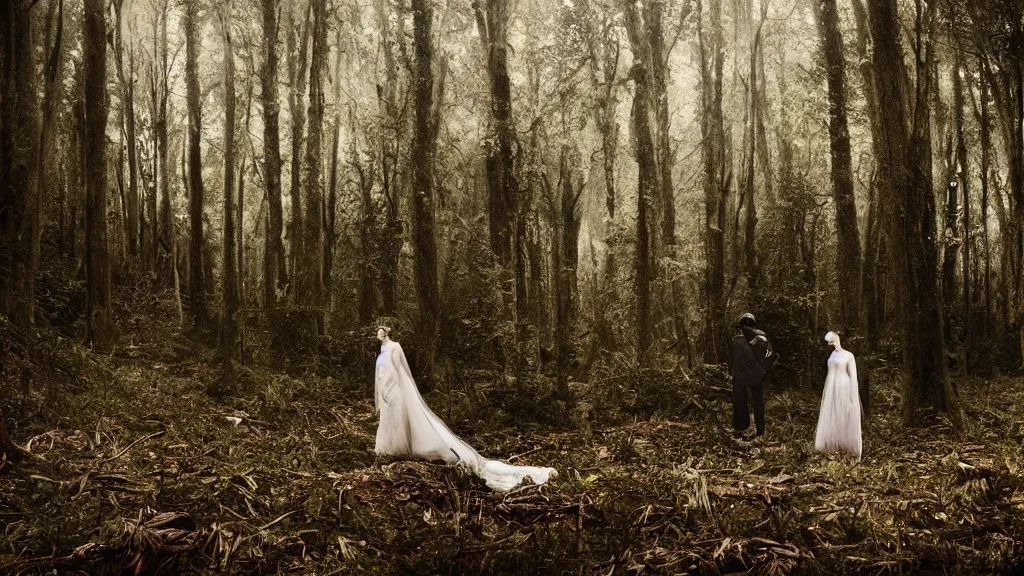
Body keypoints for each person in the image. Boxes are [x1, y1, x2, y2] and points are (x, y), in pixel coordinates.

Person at [373, 326, 557, 491]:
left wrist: (390, 388)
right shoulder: (381, 351)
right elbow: (382, 374)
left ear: (387, 333)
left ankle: (403, 448)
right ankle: (391, 449)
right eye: (378, 332)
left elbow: (398, 371)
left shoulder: (395, 347)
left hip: (395, 390)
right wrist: (383, 391)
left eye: (382, 331)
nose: (379, 334)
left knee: (402, 419)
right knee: (390, 420)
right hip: (387, 391)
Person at [814, 331, 862, 459]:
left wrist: (853, 393)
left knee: (844, 412)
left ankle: (847, 444)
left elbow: (853, 377)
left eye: (832, 341)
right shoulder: (831, 356)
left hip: (844, 386)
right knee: (833, 413)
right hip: (831, 387)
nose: (831, 344)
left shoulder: (848, 356)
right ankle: (833, 444)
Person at [730, 313, 777, 437]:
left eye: (748, 324)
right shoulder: (739, 340)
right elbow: (770, 357)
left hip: (747, 375)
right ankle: (750, 431)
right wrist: (761, 371)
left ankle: (749, 431)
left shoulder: (738, 340)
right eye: (745, 324)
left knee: (748, 402)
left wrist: (761, 370)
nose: (746, 327)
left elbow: (769, 357)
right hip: (750, 375)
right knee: (747, 402)